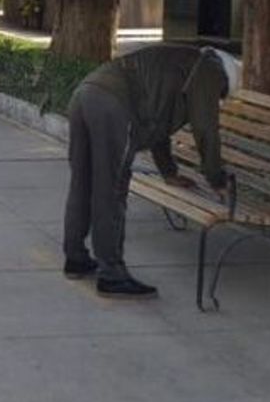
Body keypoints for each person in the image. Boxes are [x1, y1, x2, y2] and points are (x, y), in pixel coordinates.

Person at [62, 43, 241, 300]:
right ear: (224, 78)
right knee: (111, 192)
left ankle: (76, 258)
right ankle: (112, 275)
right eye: (220, 94)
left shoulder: (181, 63)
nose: (216, 98)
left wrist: (169, 173)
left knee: (82, 184)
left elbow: (157, 126)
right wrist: (216, 178)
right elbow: (206, 129)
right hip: (113, 105)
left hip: (84, 94)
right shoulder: (209, 71)